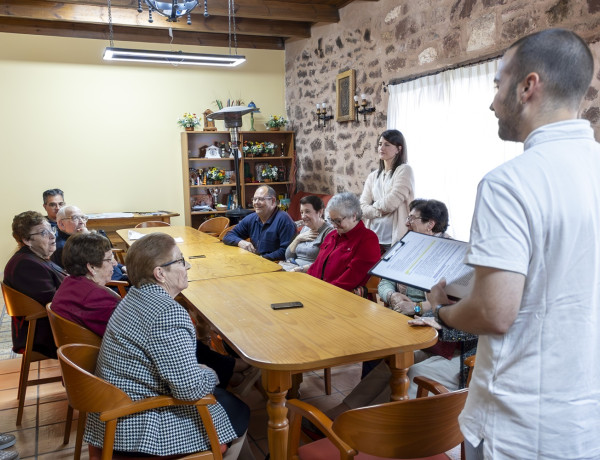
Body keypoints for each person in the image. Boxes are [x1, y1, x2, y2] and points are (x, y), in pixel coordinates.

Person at [424, 29, 600, 459]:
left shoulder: (510, 183)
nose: (491, 101)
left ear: (528, 86)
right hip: (587, 420)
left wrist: (440, 311)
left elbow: (494, 312)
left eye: (497, 83)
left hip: (521, 422)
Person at [85, 233, 251, 458]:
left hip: (115, 416)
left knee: (225, 400)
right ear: (160, 273)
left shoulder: (134, 297)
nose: (188, 266)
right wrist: (210, 373)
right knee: (240, 411)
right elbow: (189, 390)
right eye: (181, 261)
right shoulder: (167, 314)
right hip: (138, 427)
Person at [52, 232, 257, 391]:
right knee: (180, 343)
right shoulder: (94, 297)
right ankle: (231, 372)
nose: (115, 263)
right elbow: (184, 384)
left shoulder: (75, 285)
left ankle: (231, 372)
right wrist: (208, 373)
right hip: (127, 394)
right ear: (91, 267)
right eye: (109, 259)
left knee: (183, 343)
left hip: (108, 377)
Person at [329, 199, 475, 415]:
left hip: (448, 341)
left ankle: (374, 420)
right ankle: (345, 412)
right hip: (411, 320)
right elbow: (385, 278)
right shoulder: (408, 244)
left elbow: (452, 306)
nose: (406, 223)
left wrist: (416, 308)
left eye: (411, 218)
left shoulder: (453, 256)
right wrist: (393, 295)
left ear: (430, 224)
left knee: (407, 368)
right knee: (390, 362)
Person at [3, 211, 67, 358]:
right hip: (44, 336)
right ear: (27, 240)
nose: (53, 236)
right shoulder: (26, 265)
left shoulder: (35, 257)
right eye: (44, 233)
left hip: (52, 326)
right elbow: (55, 303)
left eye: (52, 230)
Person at [307, 192, 380, 291]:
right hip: (317, 289)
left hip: (339, 296)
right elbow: (316, 266)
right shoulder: (331, 235)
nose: (334, 225)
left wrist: (321, 291)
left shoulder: (368, 239)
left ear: (354, 216)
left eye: (338, 221)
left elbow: (349, 280)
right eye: (331, 220)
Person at [360, 130, 414, 253]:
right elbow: (362, 206)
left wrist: (372, 208)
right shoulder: (373, 176)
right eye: (380, 144)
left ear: (398, 149)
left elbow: (392, 202)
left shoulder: (405, 170)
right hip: (373, 235)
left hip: (395, 237)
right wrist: (378, 211)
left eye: (387, 144)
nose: (381, 148)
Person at [51, 205, 127, 282]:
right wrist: (88, 237)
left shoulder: (80, 238)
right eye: (75, 218)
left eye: (83, 218)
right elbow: (91, 274)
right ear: (61, 224)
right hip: (112, 284)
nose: (81, 221)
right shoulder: (65, 247)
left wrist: (121, 267)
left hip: (118, 274)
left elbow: (111, 260)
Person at [223, 185, 296, 261]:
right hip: (256, 261)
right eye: (254, 199)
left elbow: (286, 252)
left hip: (275, 264)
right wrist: (240, 242)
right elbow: (228, 236)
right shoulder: (252, 218)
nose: (256, 202)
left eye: (261, 199)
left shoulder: (284, 220)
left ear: (273, 201)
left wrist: (260, 258)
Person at [284, 195, 333, 272]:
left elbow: (323, 263)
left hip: (309, 273)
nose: (303, 216)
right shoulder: (305, 228)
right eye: (301, 212)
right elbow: (288, 256)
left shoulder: (329, 232)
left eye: (307, 211)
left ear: (320, 212)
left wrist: (300, 269)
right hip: (293, 267)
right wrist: (298, 239)